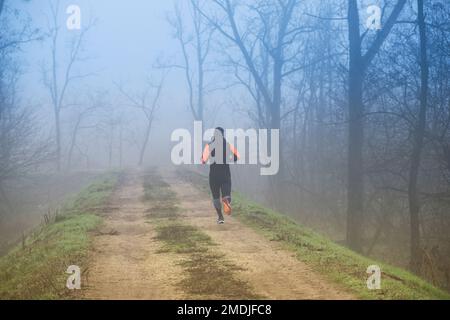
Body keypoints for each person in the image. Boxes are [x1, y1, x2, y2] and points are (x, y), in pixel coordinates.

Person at [201, 127, 239, 224]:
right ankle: (226, 201)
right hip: (225, 174)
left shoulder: (209, 145)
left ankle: (220, 217)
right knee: (226, 194)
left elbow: (203, 160)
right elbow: (236, 157)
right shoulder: (228, 145)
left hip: (213, 176)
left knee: (216, 197)